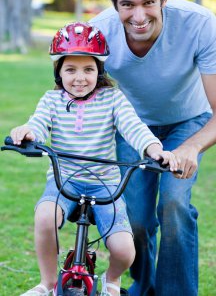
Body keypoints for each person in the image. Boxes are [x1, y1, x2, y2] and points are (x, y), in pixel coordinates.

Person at [10, 22, 179, 296]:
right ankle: (48, 283)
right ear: (58, 72)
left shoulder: (112, 99)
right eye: (70, 69)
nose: (80, 77)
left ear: (99, 71)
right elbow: (38, 124)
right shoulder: (51, 100)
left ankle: (110, 279)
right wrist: (28, 132)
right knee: (44, 217)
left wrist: (153, 148)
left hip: (106, 185)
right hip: (64, 181)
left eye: (88, 69)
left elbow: (134, 128)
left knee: (124, 249)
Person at [89, 0, 216, 296]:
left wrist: (190, 146)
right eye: (127, 5)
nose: (139, 15)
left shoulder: (199, 23)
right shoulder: (99, 33)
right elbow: (81, 98)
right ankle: (143, 286)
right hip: (133, 126)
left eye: (149, 2)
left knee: (174, 203)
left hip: (188, 121)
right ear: (115, 5)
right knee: (135, 219)